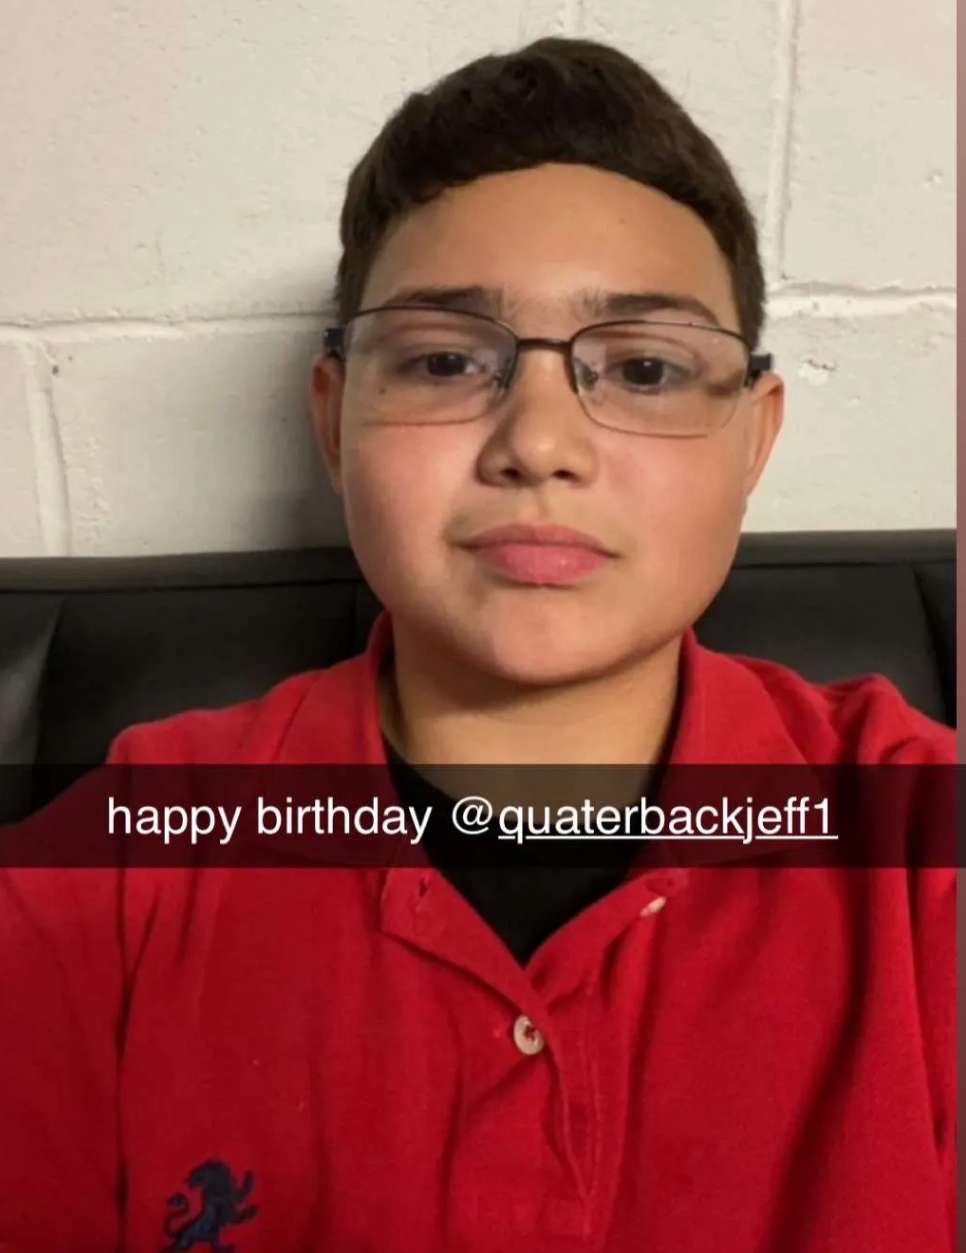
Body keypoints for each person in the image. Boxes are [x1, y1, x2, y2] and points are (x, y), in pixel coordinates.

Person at [0, 36, 954, 1253]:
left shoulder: (921, 853)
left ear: (753, 439)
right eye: (447, 360)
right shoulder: (114, 874)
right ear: (334, 422)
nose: (539, 443)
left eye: (645, 367)